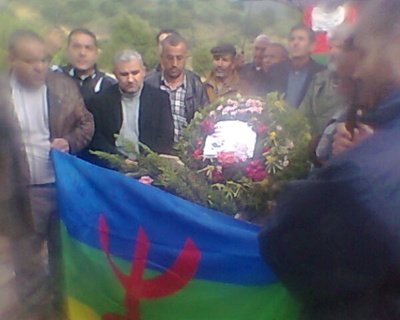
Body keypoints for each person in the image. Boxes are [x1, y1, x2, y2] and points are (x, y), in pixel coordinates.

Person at [259, 0, 400, 318]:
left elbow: (287, 245)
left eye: (364, 52)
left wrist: (354, 162)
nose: (360, 71)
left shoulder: (360, 175)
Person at [7, 29, 94, 318]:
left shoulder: (63, 86)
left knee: (64, 262)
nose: (39, 67)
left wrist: (69, 142)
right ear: (12, 60)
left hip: (61, 189)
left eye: (44, 59)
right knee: (28, 269)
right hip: (19, 195)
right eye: (31, 61)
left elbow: (86, 124)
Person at [88, 49, 174, 162]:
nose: (130, 79)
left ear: (143, 72)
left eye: (135, 73)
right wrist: (119, 160)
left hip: (149, 166)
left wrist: (147, 163)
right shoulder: (101, 100)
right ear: (115, 74)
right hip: (112, 166)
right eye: (124, 74)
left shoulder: (159, 99)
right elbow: (97, 139)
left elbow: (166, 137)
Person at [145, 33, 208, 142]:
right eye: (170, 58)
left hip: (187, 151)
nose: (174, 63)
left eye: (179, 58)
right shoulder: (149, 85)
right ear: (161, 58)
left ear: (186, 58)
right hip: (155, 152)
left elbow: (205, 121)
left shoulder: (196, 86)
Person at [264, 24, 325, 108]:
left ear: (312, 46)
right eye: (292, 39)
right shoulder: (275, 70)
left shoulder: (321, 74)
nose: (295, 43)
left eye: (301, 39)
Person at [57, 28, 116, 105]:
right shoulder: (53, 79)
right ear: (67, 50)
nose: (82, 53)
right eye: (77, 47)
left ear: (96, 53)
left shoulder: (109, 85)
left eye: (88, 48)